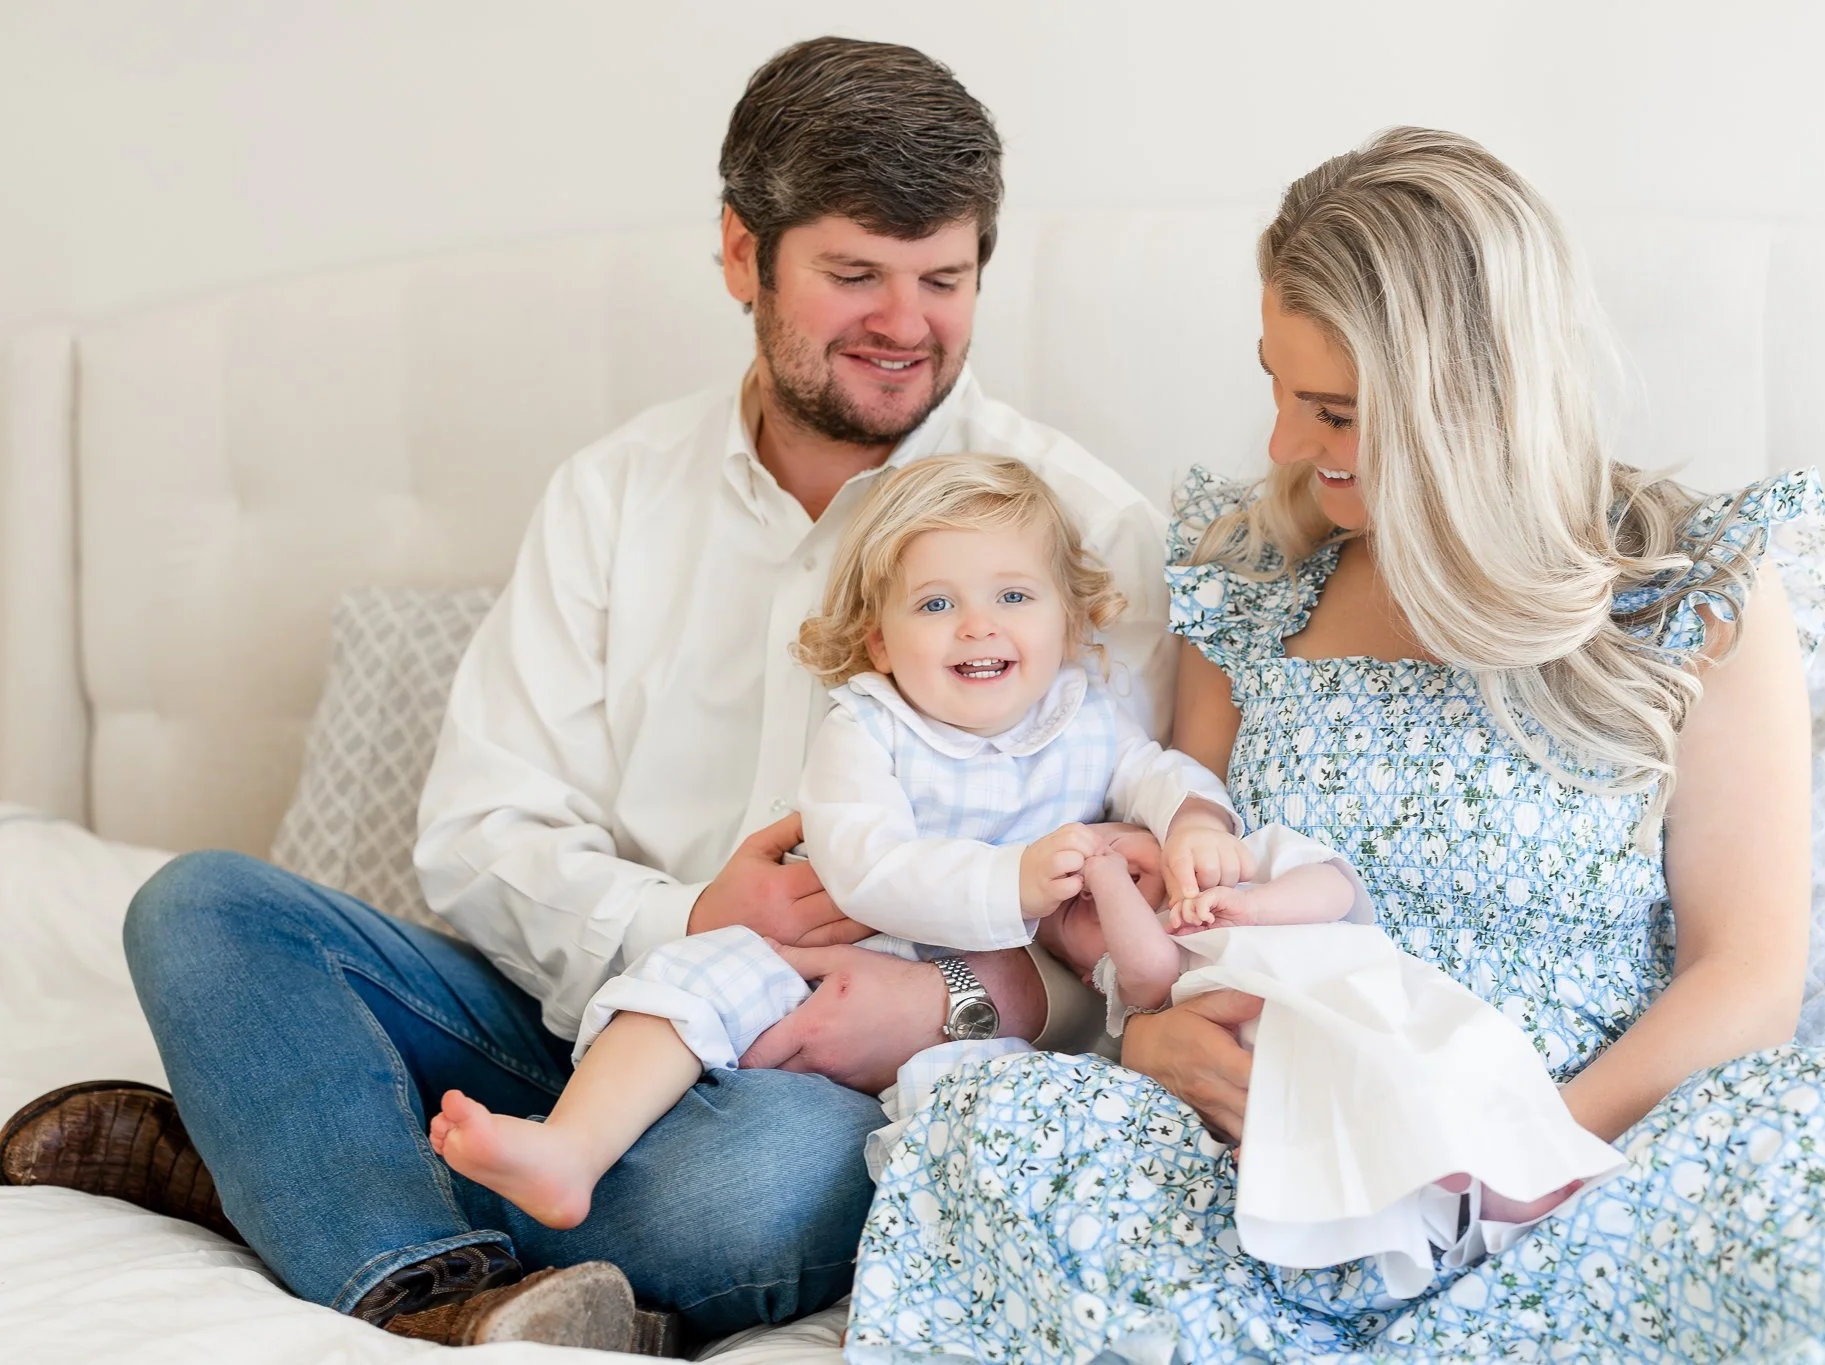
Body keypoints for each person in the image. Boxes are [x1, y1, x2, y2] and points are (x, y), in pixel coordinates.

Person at [0, 37, 1173, 1353]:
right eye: (854, 275)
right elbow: (480, 836)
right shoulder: (613, 496)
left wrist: (951, 998)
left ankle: (288, 1175)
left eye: (943, 279)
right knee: (203, 910)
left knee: (764, 1192)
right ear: (743, 255)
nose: (906, 323)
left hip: (811, 1080)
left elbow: (1128, 939)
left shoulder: (1083, 539)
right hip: (559, 1024)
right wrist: (692, 917)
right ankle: (418, 1249)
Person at [842, 128, 1825, 1361]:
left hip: (1591, 1163)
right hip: (1291, 1171)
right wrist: (1155, 1042)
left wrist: (1495, 1161)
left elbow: (1744, 979)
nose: (1284, 446)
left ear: (1469, 403)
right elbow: (1176, 916)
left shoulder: (1691, 589)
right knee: (985, 1131)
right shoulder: (1252, 578)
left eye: (1334, 411)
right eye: (1278, 387)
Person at [425, 453, 1241, 1231]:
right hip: (833, 959)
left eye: (1015, 596)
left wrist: (1195, 820)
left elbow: (1158, 774)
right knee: (689, 981)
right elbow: (867, 868)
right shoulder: (869, 728)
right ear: (879, 641)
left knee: (992, 1128)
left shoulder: (1083, 720)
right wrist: (1011, 881)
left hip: (986, 1023)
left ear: (1068, 617)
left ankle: (925, 1257)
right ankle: (572, 1148)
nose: (977, 626)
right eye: (935, 604)